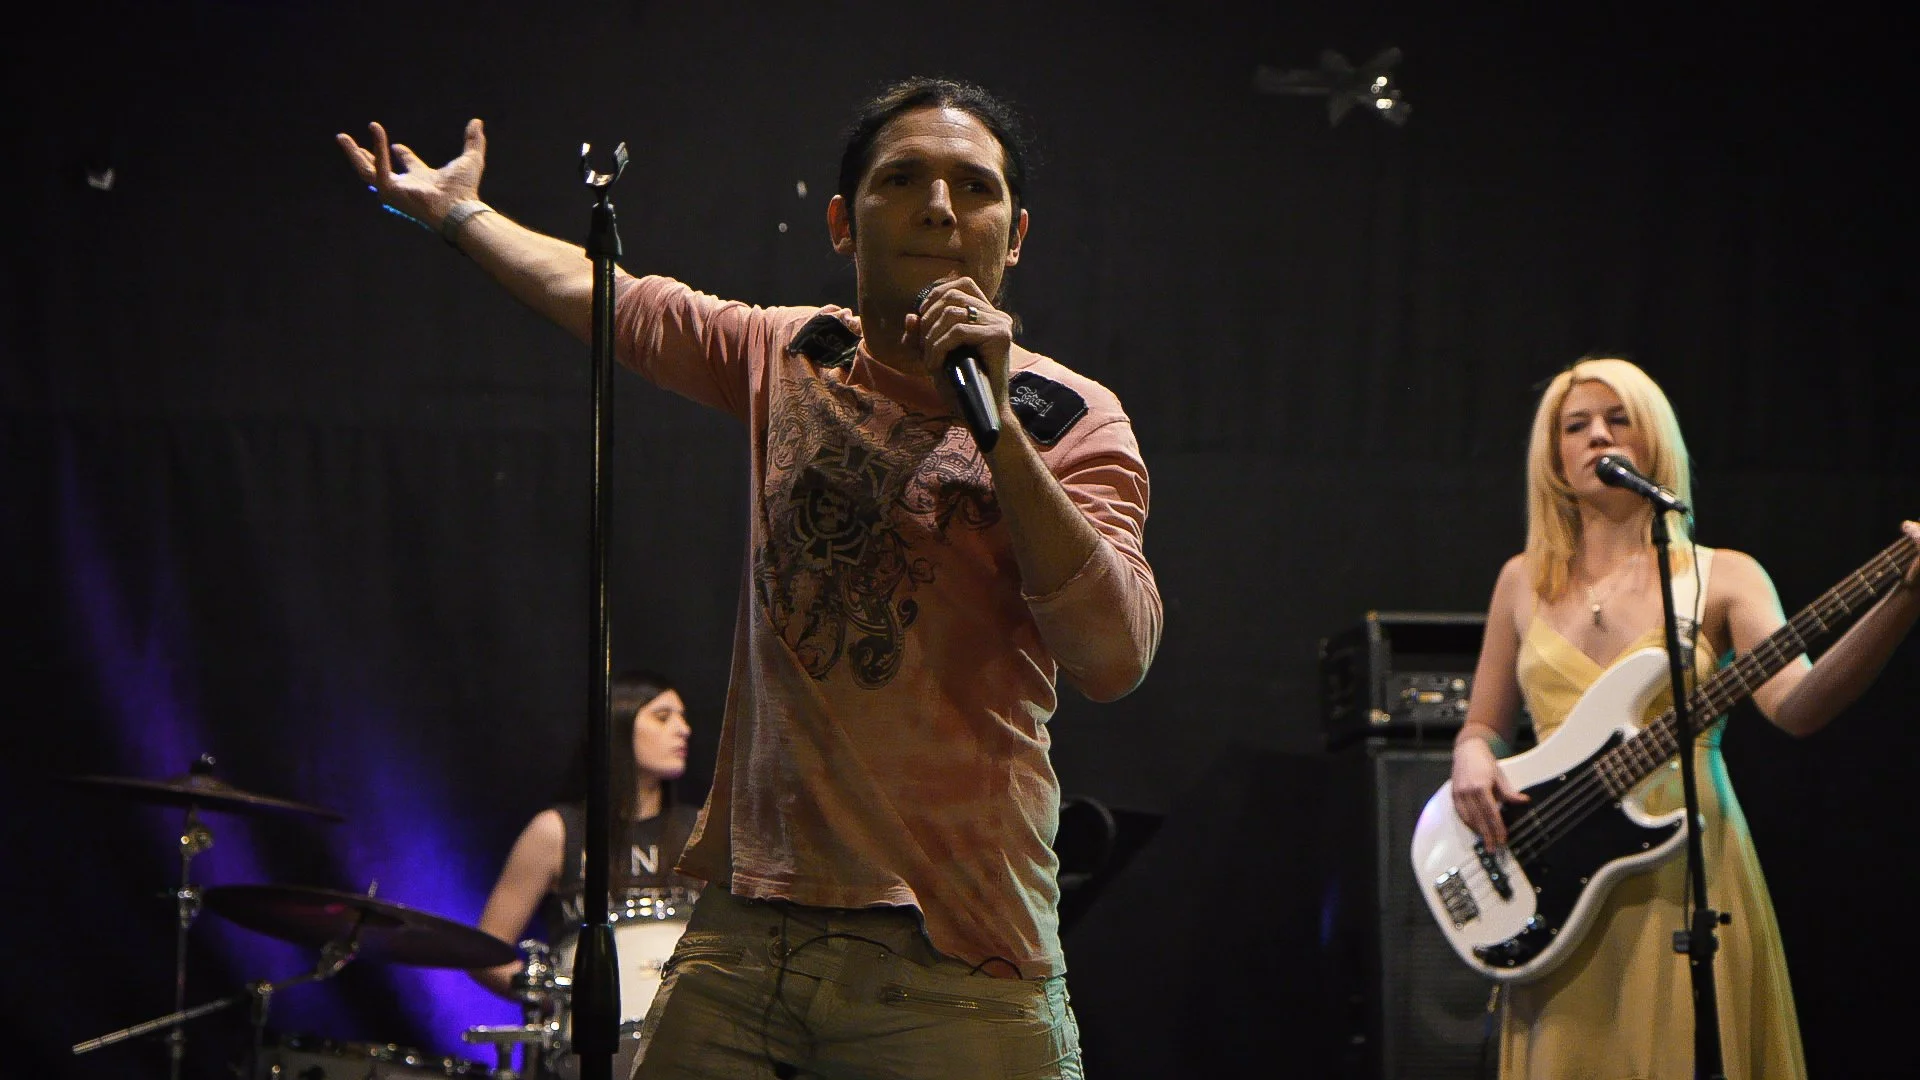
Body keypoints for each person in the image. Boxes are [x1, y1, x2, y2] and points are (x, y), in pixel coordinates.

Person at [339, 76, 1160, 1080]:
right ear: (841, 225)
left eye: (974, 188)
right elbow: (612, 300)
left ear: (1016, 233)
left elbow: (1113, 655)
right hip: (745, 939)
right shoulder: (792, 355)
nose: (940, 207)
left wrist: (996, 431)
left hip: (950, 955)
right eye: (901, 179)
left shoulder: (1070, 417)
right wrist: (458, 213)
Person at [1448, 356, 1920, 1079]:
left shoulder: (1723, 575)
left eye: (1618, 420)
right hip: (1557, 871)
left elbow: (1798, 706)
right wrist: (1471, 756)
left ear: (1655, 443)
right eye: (1576, 427)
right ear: (1553, 457)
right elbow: (1482, 726)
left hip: (1686, 868)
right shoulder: (1522, 580)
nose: (1598, 438)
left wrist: (1904, 600)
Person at [471, 670, 701, 1078]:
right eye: (663, 717)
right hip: (586, 1049)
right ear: (618, 724)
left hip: (693, 1042)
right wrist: (558, 999)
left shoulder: (702, 830)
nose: (684, 730)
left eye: (682, 717)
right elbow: (484, 953)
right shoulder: (555, 831)